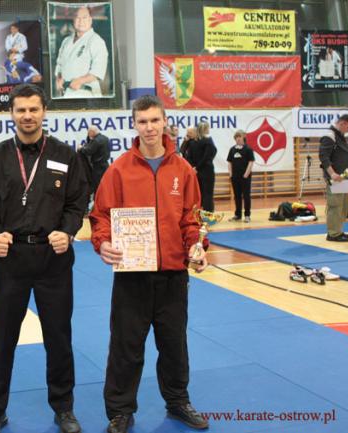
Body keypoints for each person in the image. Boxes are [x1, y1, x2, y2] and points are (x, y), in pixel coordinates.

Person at [89, 95, 209, 433]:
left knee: (174, 344)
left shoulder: (183, 170)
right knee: (125, 346)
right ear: (134, 124)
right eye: (143, 122)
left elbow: (191, 219)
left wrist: (198, 246)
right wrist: (103, 242)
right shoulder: (118, 169)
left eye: (155, 120)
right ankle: (120, 411)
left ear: (165, 121)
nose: (150, 127)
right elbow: (101, 216)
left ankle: (178, 401)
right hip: (132, 275)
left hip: (173, 273)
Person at [0, 83, 88, 433]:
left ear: (44, 112)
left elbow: (77, 202)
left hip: (53, 259)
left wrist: (67, 232)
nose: (27, 116)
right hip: (10, 259)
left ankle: (64, 408)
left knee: (59, 337)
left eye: (33, 109)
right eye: (21, 110)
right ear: (11, 113)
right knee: (2, 338)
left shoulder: (65, 155)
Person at [54, 5, 109, 98]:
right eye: (77, 17)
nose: (81, 21)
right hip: (66, 93)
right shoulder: (66, 41)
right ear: (73, 19)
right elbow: (59, 65)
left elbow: (98, 71)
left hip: (86, 93)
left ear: (90, 20)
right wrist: (58, 78)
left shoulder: (96, 40)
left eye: (84, 17)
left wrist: (80, 81)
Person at [319, 114, 348, 242]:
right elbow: (323, 157)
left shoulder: (340, 136)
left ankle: (338, 231)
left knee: (343, 206)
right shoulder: (330, 136)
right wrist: (332, 173)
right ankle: (333, 234)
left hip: (343, 177)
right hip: (336, 178)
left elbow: (345, 152)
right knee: (335, 206)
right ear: (342, 123)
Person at [227, 130, 255, 223]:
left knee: (246, 196)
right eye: (236, 137)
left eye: (240, 137)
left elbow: (251, 162)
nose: (238, 139)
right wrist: (231, 174)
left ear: (243, 138)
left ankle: (247, 215)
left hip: (245, 177)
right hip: (235, 177)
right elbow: (229, 162)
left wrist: (246, 174)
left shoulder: (248, 149)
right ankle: (238, 215)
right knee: (237, 196)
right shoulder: (232, 149)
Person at [189, 121, 217, 212]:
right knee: (208, 194)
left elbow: (189, 157)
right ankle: (208, 214)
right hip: (206, 171)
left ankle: (200, 214)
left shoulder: (193, 142)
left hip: (197, 172)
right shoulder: (208, 141)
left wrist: (194, 167)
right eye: (208, 127)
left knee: (200, 193)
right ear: (205, 129)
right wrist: (198, 167)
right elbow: (207, 157)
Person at [78, 125, 110, 198]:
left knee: (97, 186)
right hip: (105, 165)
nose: (88, 135)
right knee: (105, 185)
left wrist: (81, 148)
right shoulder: (105, 138)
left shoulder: (96, 141)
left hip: (97, 167)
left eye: (89, 133)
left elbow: (88, 151)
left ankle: (97, 201)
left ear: (92, 132)